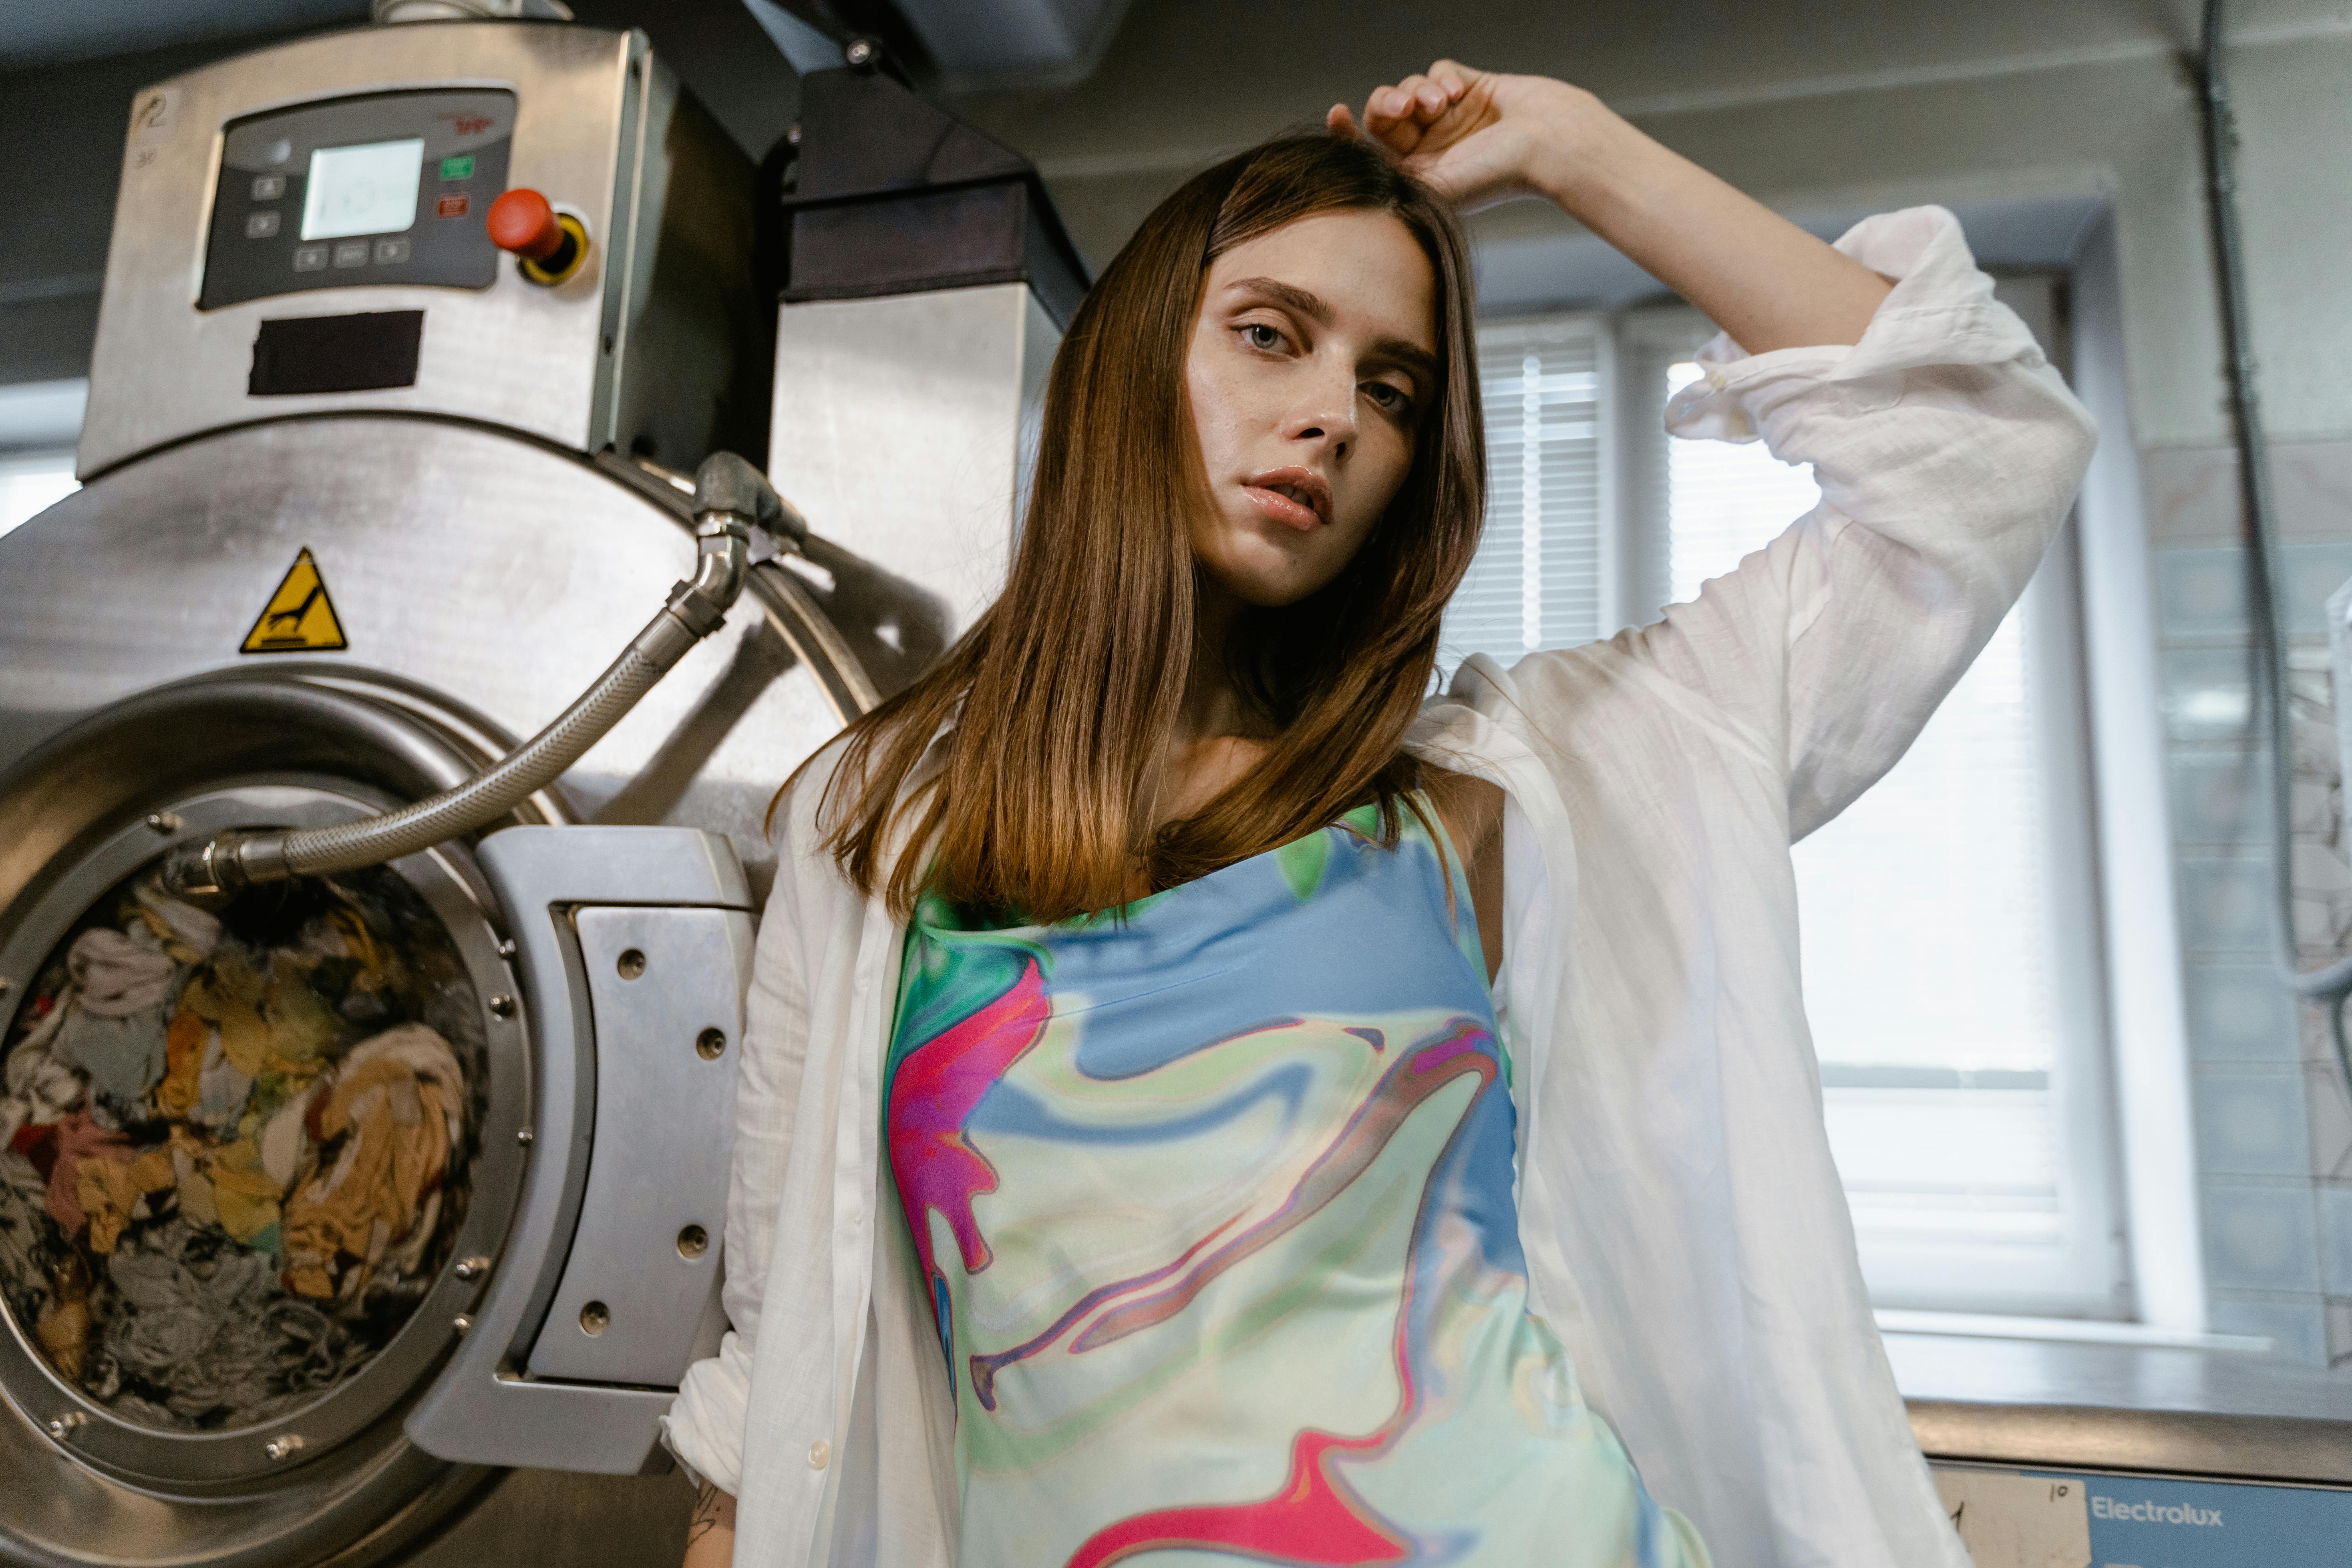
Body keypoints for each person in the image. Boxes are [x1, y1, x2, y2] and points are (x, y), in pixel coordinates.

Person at [665, 58, 2094, 1568]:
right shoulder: (871, 830)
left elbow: (1974, 454)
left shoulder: (1494, 798)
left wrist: (1573, 147)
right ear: (1131, 359)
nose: (1330, 415)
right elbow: (778, 1386)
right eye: (1271, 336)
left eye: (1389, 388)